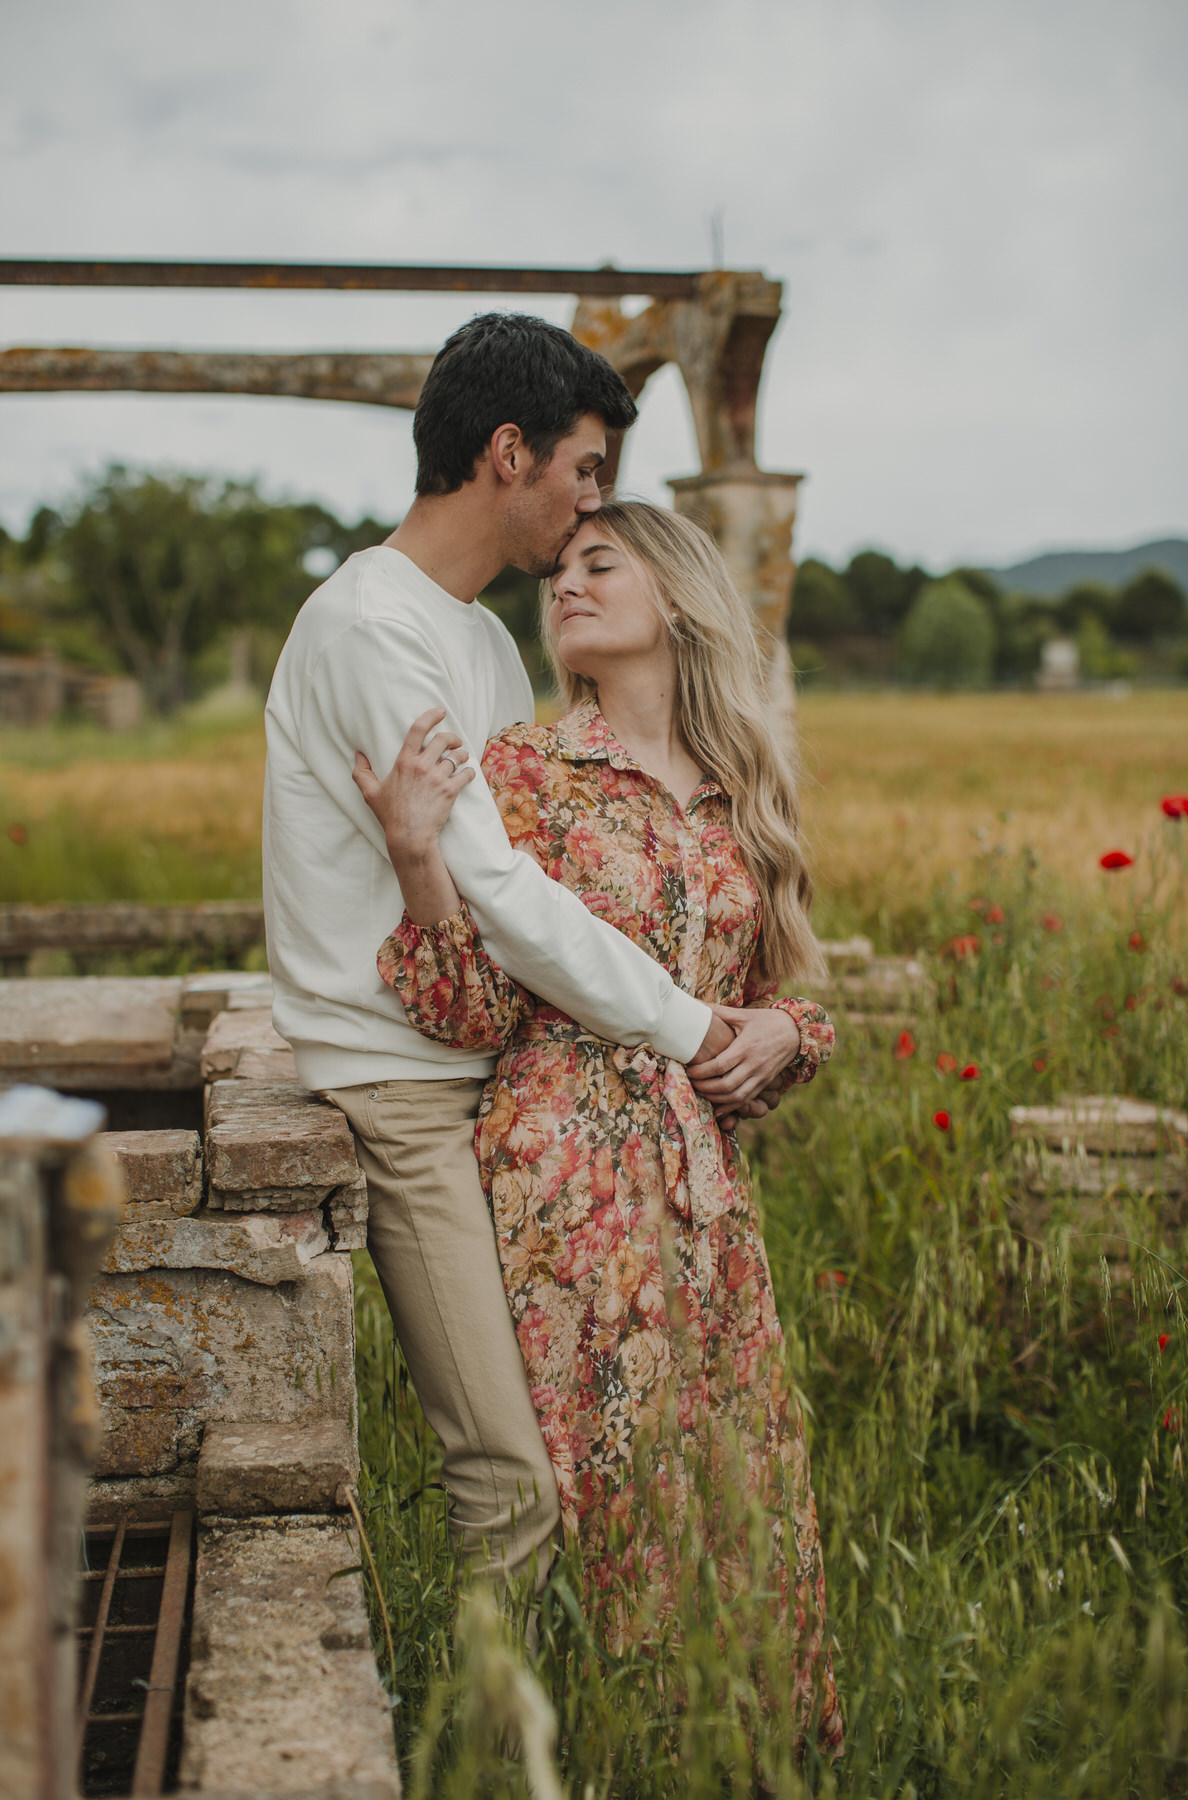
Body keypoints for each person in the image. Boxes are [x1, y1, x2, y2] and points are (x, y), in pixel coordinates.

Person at [262, 315, 807, 1595]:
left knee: (609, 1455)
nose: (590, 504)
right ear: (510, 454)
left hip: (501, 1077)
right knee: (511, 1482)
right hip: (401, 1081)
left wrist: (772, 1017)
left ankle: (595, 1694)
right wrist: (692, 1028)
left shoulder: (482, 641)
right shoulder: (370, 625)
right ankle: (481, 1718)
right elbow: (499, 889)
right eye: (586, 469)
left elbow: (537, 875)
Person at [354, 500, 842, 1750]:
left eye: (598, 564)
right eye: (558, 570)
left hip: (706, 1204)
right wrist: (416, 857)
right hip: (564, 1178)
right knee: (603, 1481)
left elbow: (779, 996)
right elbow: (466, 1009)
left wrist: (792, 1035)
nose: (564, 584)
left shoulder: (744, 793)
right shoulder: (521, 773)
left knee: (735, 1476)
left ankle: (733, 1753)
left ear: (674, 596)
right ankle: (572, 1750)